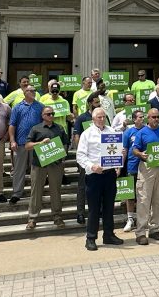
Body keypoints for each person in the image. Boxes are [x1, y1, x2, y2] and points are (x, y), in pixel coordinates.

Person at [76, 107, 125, 251]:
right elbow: (80, 156)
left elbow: (118, 151)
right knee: (94, 209)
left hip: (110, 175)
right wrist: (91, 166)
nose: (102, 119)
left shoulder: (112, 132)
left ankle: (108, 235)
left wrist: (119, 159)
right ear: (93, 118)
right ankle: (90, 238)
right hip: (94, 176)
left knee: (109, 206)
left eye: (104, 116)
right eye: (99, 117)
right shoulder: (87, 134)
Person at [132, 108, 159, 244]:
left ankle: (154, 229)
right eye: (153, 117)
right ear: (148, 118)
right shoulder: (142, 133)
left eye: (157, 117)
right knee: (144, 200)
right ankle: (141, 232)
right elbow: (135, 149)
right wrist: (140, 154)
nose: (155, 119)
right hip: (146, 168)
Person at [25, 106, 68, 230]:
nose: (51, 116)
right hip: (39, 164)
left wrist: (62, 158)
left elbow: (65, 143)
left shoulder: (59, 128)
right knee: (36, 191)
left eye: (52, 114)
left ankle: (57, 216)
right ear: (43, 115)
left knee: (56, 191)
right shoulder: (36, 129)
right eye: (48, 114)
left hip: (56, 164)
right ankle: (32, 218)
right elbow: (27, 145)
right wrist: (40, 143)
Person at [8, 86, 45, 205]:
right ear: (25, 93)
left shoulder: (40, 106)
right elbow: (12, 125)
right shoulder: (17, 107)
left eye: (35, 91)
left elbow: (45, 123)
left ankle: (37, 192)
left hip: (36, 143)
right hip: (21, 142)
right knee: (19, 169)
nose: (34, 93)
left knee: (37, 170)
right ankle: (17, 193)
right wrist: (12, 140)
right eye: (32, 91)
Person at [72, 93, 101, 225]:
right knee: (83, 187)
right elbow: (77, 136)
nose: (98, 105)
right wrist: (81, 154)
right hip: (86, 158)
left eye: (99, 103)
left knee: (99, 187)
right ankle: (80, 213)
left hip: (100, 158)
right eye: (96, 103)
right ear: (90, 103)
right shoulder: (82, 118)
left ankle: (97, 211)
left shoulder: (102, 117)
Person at [121, 109, 146, 232]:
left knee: (144, 195)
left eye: (143, 117)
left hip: (146, 167)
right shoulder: (128, 133)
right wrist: (119, 167)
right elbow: (124, 150)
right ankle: (130, 219)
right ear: (134, 119)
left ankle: (144, 219)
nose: (142, 119)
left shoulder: (148, 130)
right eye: (140, 117)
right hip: (132, 166)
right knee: (130, 195)